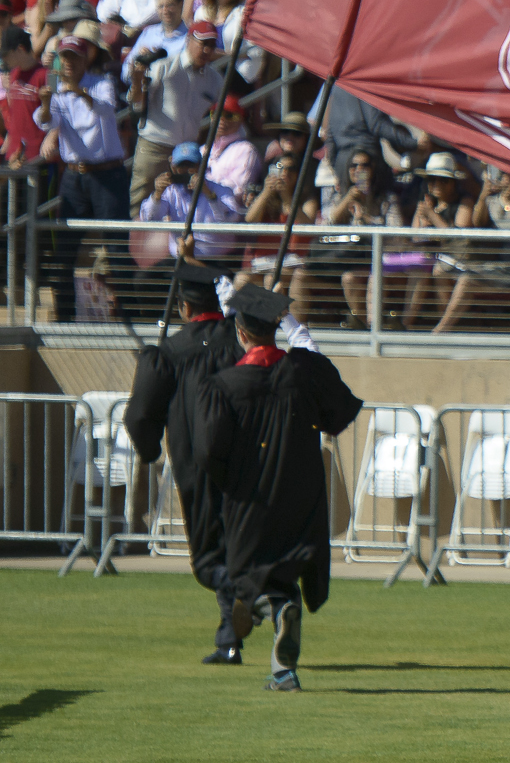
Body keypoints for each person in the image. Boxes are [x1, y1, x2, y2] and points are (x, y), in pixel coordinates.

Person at [198, 283, 364, 692]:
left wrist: (228, 487)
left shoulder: (226, 385)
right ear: (274, 328)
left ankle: (265, 607)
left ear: (240, 334)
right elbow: (339, 411)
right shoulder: (302, 373)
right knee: (286, 570)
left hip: (248, 498)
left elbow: (208, 452)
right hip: (301, 493)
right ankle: (282, 668)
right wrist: (294, 329)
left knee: (245, 574)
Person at [123, 265, 241, 656]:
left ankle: (253, 600)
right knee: (240, 546)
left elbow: (140, 414)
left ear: (184, 307)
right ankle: (230, 640)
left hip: (197, 464)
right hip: (246, 462)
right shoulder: (241, 341)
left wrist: (150, 449)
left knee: (210, 561)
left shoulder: (172, 351)